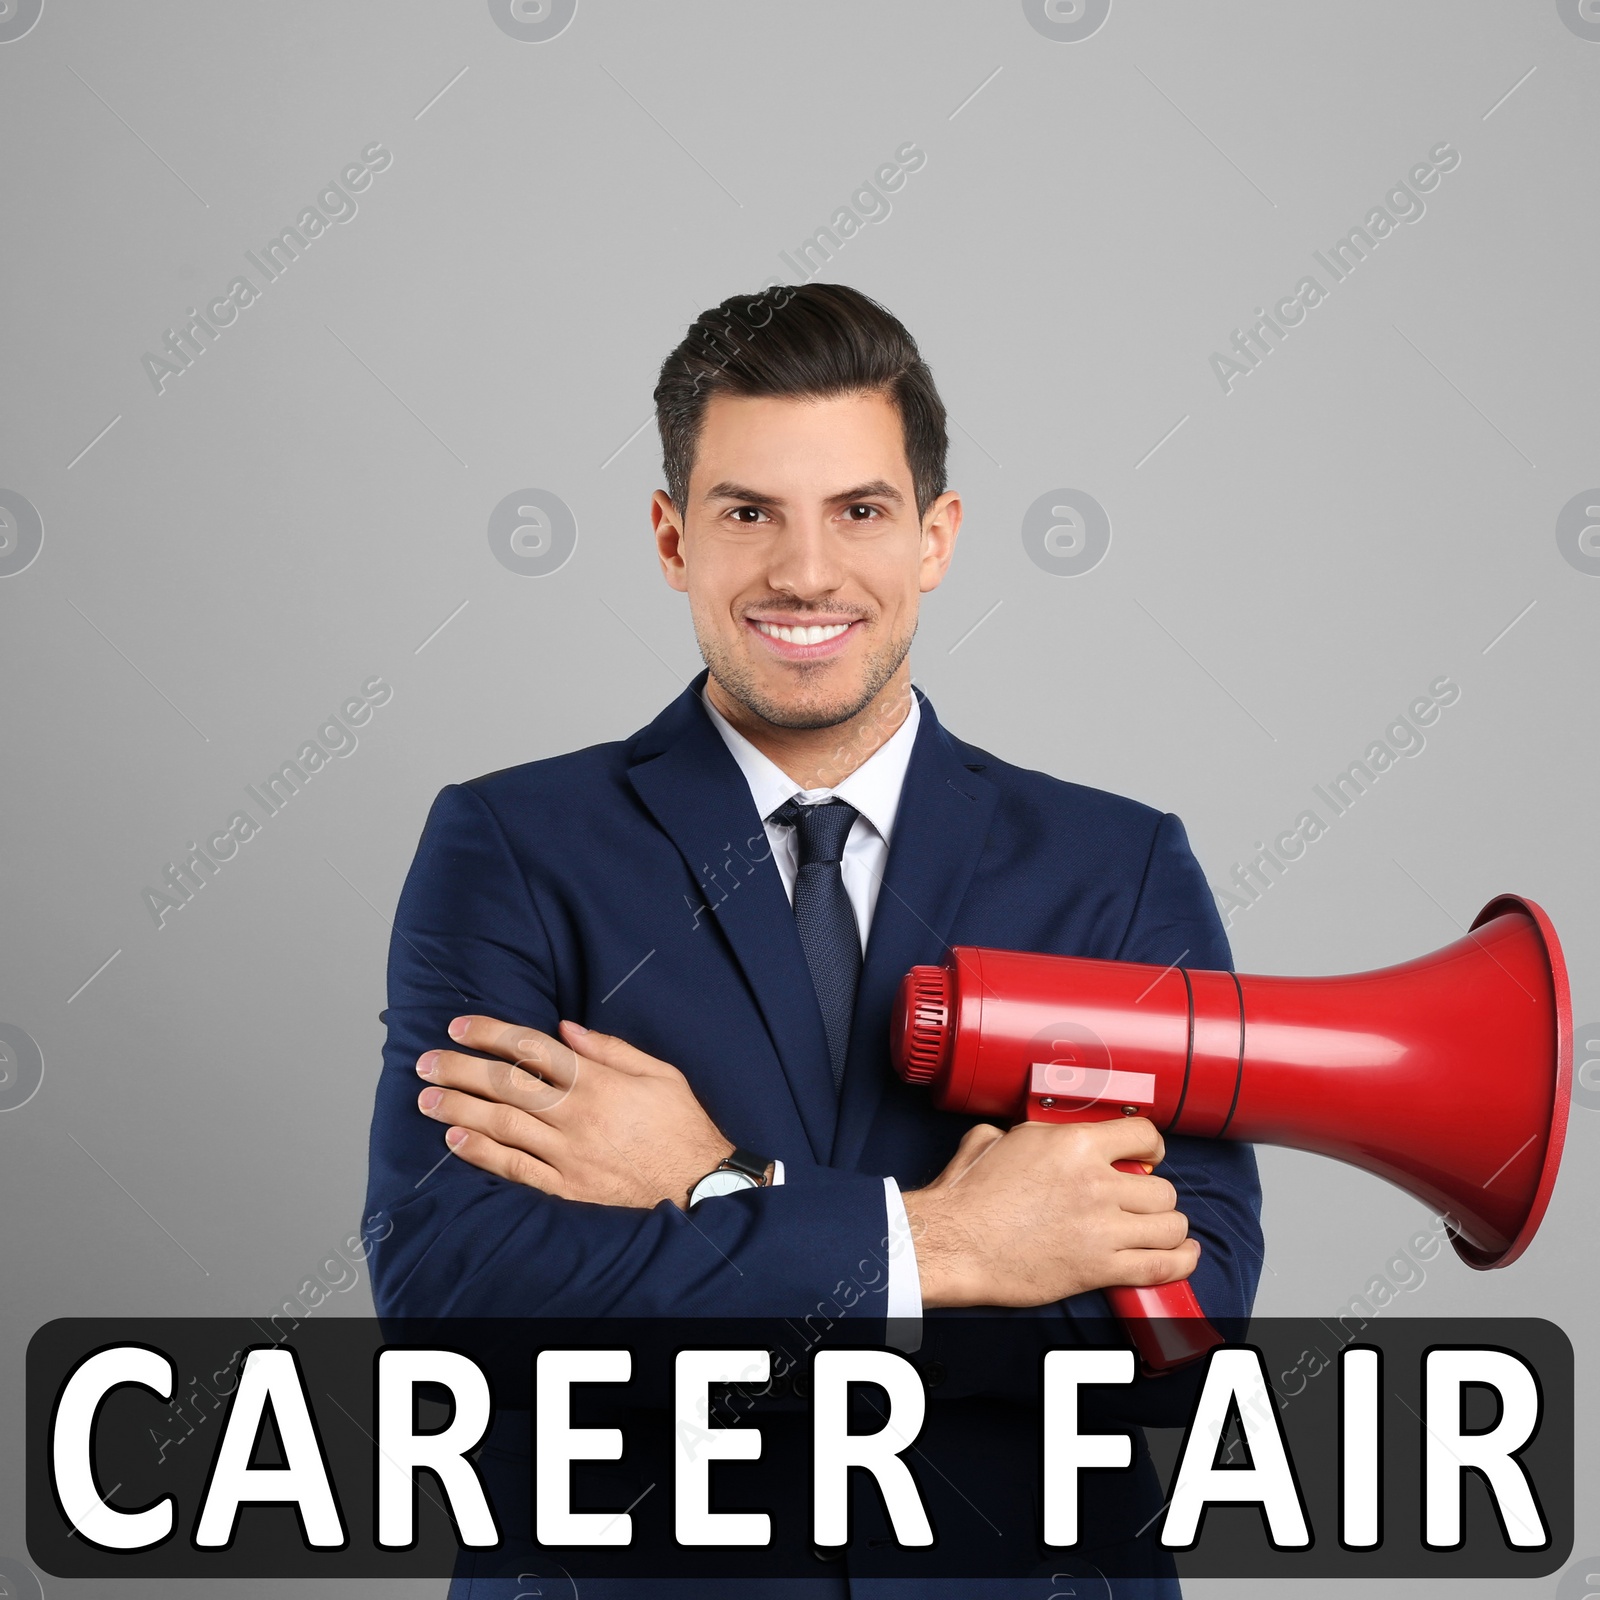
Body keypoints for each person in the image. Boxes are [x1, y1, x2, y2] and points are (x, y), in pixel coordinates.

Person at [364, 283, 1262, 1597]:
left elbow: (1185, 1329)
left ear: (936, 537)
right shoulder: (509, 848)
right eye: (747, 513)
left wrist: (713, 1189)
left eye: (859, 511)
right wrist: (953, 1248)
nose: (805, 572)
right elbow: (460, 1298)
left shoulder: (1116, 871)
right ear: (673, 539)